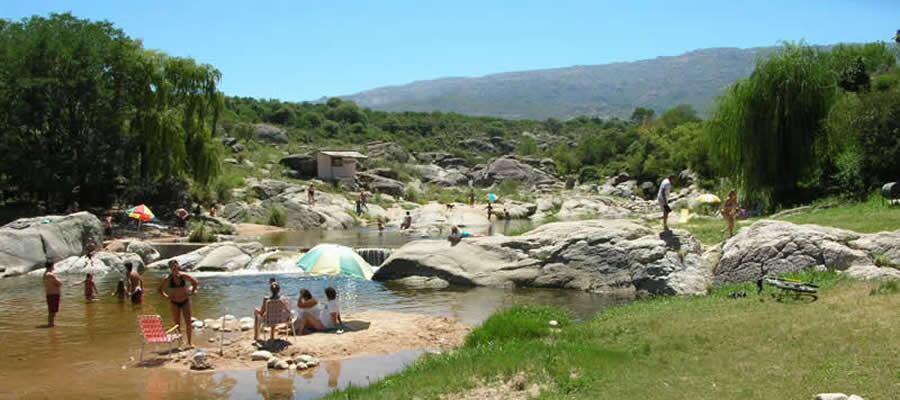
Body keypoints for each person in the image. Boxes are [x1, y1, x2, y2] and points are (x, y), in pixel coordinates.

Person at [159, 259, 199, 347]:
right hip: (174, 303)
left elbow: (195, 282)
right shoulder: (168, 278)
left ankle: (189, 342)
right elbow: (160, 289)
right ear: (170, 268)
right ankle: (180, 343)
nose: (174, 267)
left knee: (188, 322)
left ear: (178, 266)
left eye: (175, 265)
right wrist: (166, 297)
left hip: (185, 301)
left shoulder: (183, 276)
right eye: (172, 266)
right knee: (177, 324)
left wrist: (192, 292)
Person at [43, 261, 62, 327]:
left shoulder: (45, 274)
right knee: (53, 311)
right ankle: (51, 324)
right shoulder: (50, 274)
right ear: (51, 266)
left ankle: (50, 323)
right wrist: (58, 279)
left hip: (49, 294)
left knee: (51, 311)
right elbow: (59, 283)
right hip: (53, 294)